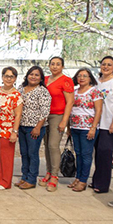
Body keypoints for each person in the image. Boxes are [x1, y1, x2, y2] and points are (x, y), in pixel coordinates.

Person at [92, 56, 113, 193]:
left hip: (109, 124)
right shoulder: (97, 82)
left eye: (109, 64)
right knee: (97, 154)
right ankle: (96, 180)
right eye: (103, 64)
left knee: (105, 153)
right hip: (97, 124)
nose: (105, 67)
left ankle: (102, 185)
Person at [40, 56, 74, 192]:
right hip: (44, 116)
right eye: (52, 64)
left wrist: (65, 121)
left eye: (58, 64)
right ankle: (48, 171)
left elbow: (70, 102)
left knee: (54, 145)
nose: (55, 66)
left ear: (62, 66)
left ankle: (55, 175)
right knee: (47, 145)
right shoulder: (46, 80)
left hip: (58, 116)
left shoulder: (66, 81)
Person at [68, 68, 103, 192]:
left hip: (87, 128)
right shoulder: (74, 91)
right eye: (79, 76)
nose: (81, 78)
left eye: (85, 76)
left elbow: (98, 110)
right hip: (75, 127)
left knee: (86, 155)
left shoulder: (95, 92)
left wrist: (93, 127)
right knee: (78, 153)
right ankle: (77, 178)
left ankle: (83, 180)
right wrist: (69, 127)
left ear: (90, 78)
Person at [16, 66, 51, 190]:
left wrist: (38, 127)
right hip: (21, 126)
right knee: (24, 153)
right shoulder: (21, 88)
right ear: (27, 75)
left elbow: (45, 111)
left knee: (32, 153)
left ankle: (31, 179)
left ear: (41, 78)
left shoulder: (42, 91)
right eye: (31, 74)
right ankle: (24, 177)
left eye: (36, 75)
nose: (33, 77)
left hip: (35, 127)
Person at [0, 66, 23, 190]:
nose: (8, 79)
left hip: (8, 129)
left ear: (15, 79)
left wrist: (14, 131)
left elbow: (18, 115)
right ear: (2, 77)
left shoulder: (16, 95)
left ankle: (5, 182)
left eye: (11, 76)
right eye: (6, 76)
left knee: (6, 156)